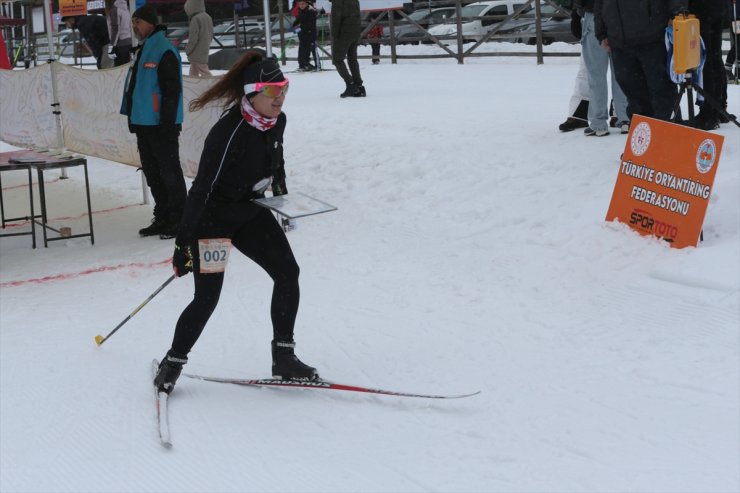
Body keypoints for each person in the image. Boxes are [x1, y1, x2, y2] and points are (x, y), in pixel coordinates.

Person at [153, 52, 319, 394]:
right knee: (207, 298)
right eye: (273, 92)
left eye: (284, 88)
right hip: (213, 222)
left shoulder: (278, 121)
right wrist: (184, 243)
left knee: (288, 273)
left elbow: (277, 159)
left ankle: (284, 358)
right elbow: (200, 190)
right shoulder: (229, 131)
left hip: (251, 213)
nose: (280, 98)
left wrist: (283, 197)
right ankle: (173, 363)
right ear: (252, 93)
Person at [120, 5, 187, 239]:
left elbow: (172, 90)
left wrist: (167, 124)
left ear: (149, 22)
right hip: (145, 124)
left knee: (169, 173)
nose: (134, 27)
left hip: (161, 125)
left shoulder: (163, 49)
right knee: (153, 173)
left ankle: (179, 219)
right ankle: (164, 215)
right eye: (133, 23)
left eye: (137, 22)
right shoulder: (143, 49)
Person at [594, 0, 687, 122]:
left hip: (653, 36)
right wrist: (601, 32)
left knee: (661, 91)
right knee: (633, 92)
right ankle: (644, 133)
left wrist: (677, 13)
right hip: (619, 39)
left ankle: (668, 132)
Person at [574, 0, 629, 136]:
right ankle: (625, 119)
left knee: (596, 74)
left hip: (594, 14)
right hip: (621, 16)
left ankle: (599, 123)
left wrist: (576, 12)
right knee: (621, 73)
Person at [687, 0, 731, 129]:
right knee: (715, 58)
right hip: (717, 8)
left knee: (707, 60)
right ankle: (719, 107)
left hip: (703, 9)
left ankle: (710, 111)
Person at [330, 0, 365, 97]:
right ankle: (359, 86)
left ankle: (351, 84)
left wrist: (334, 34)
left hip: (343, 33)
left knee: (337, 60)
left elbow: (336, 17)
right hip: (355, 31)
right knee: (352, 59)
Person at [184, 0, 213, 77]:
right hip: (204, 49)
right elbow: (211, 34)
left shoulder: (195, 19)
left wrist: (188, 50)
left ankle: (213, 85)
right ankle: (193, 86)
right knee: (193, 72)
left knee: (204, 72)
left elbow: (193, 38)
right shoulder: (208, 17)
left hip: (196, 52)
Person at [293, 0, 319, 71]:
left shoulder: (311, 12)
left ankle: (317, 65)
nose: (301, 6)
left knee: (312, 49)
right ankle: (303, 65)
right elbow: (295, 24)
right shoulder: (300, 12)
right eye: (300, 4)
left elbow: (310, 24)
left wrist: (301, 27)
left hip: (310, 34)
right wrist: (297, 29)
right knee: (302, 50)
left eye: (303, 4)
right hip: (302, 35)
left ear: (307, 4)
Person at [105, 0, 133, 66]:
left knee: (119, 68)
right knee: (125, 67)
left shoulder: (115, 10)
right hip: (128, 41)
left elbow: (115, 29)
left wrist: (111, 46)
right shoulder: (126, 9)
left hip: (119, 44)